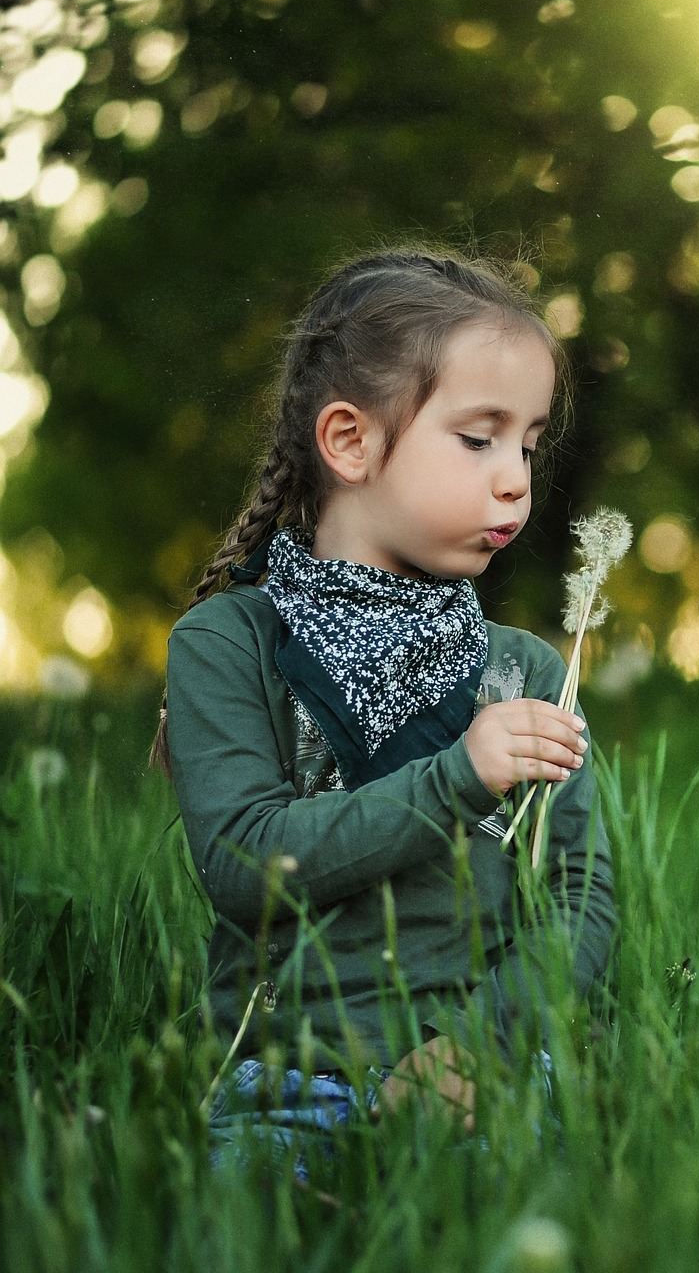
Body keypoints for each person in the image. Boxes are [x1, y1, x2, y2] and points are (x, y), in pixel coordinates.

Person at [152, 249, 615, 1172]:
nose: (518, 478)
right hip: (289, 1073)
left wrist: (482, 1047)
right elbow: (248, 868)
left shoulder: (526, 669)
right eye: (480, 439)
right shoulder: (227, 644)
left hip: (487, 1069)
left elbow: (581, 896)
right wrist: (459, 777)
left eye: (528, 444)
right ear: (351, 442)